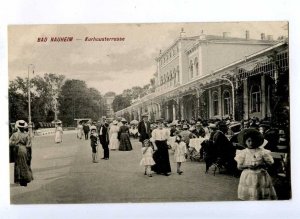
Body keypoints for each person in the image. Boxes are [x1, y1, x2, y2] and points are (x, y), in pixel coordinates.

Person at [235, 128, 277, 200]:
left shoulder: (262, 151)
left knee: (260, 195)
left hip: (261, 176)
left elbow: (270, 164)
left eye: (253, 141)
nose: (251, 143)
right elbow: (239, 167)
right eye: (249, 141)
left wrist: (261, 165)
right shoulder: (243, 152)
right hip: (248, 176)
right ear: (245, 142)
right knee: (250, 196)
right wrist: (247, 166)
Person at [9, 120, 33, 186]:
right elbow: (28, 145)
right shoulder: (26, 135)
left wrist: (15, 143)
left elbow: (9, 143)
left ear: (18, 127)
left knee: (17, 164)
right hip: (24, 149)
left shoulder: (14, 134)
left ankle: (18, 179)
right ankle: (25, 179)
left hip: (16, 150)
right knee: (24, 163)